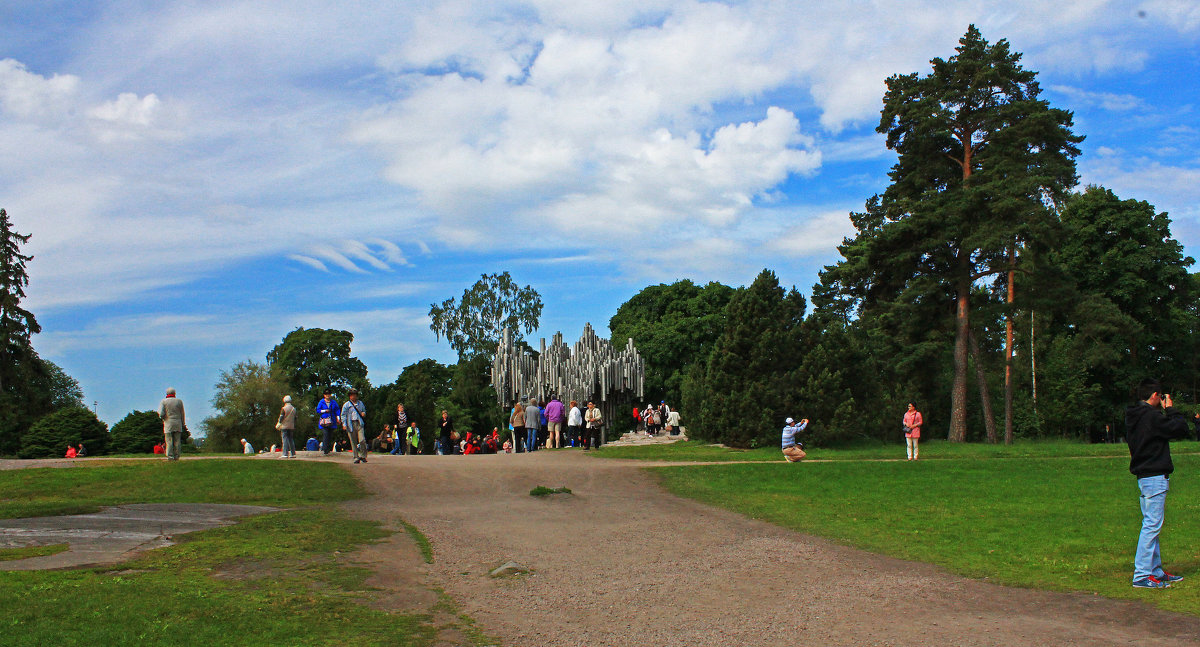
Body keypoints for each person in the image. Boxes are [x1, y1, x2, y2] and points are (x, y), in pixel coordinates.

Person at [1125, 379, 1189, 588]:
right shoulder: (1151, 417)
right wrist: (1170, 409)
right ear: (1155, 395)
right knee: (1152, 525)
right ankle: (1142, 575)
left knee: (1152, 524)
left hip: (1144, 475)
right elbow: (1180, 428)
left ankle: (1154, 570)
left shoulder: (1134, 416)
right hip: (1154, 475)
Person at [157, 387, 185, 461]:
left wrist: (163, 418)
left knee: (169, 440)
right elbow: (182, 413)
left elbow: (161, 413)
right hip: (178, 422)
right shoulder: (179, 401)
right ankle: (177, 456)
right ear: (174, 393)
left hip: (168, 422)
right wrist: (183, 423)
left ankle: (170, 456)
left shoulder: (164, 401)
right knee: (177, 441)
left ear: (167, 393)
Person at [341, 388, 368, 463]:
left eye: (355, 395)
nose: (353, 397)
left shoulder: (360, 403)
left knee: (362, 440)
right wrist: (344, 424)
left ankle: (363, 456)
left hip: (359, 423)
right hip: (350, 424)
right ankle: (356, 457)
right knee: (353, 441)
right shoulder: (347, 405)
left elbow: (364, 411)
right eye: (352, 395)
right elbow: (343, 415)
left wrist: (363, 413)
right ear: (349, 396)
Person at [316, 389, 340, 455]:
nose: (327, 396)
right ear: (324, 395)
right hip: (324, 421)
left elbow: (337, 410)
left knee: (330, 435)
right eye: (326, 394)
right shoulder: (321, 402)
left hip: (332, 421)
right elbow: (318, 410)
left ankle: (328, 448)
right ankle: (325, 449)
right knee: (325, 434)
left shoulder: (334, 402)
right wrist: (324, 411)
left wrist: (338, 418)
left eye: (329, 394)